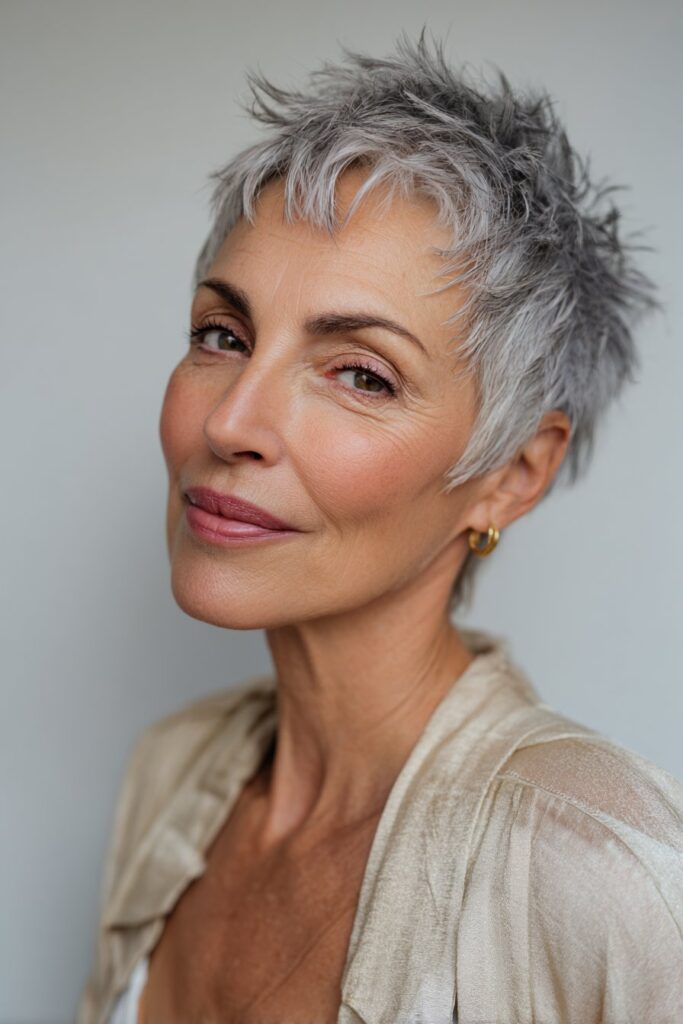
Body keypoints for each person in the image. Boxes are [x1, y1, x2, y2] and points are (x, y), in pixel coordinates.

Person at [76, 27, 683, 1024]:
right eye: (222, 336)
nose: (230, 423)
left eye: (359, 372)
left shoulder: (598, 867)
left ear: (508, 474)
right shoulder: (170, 776)